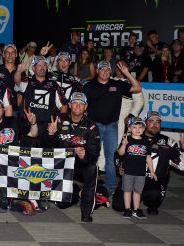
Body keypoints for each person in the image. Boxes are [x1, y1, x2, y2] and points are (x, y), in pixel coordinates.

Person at [112, 111, 184, 215]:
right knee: (119, 206)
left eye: (158, 122)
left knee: (154, 198)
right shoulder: (130, 138)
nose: (155, 124)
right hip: (132, 178)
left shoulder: (168, 143)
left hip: (154, 181)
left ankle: (151, 203)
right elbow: (118, 156)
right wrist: (119, 167)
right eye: (151, 121)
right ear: (145, 123)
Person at [82, 60, 142, 193]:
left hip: (112, 126)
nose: (105, 72)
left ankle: (111, 185)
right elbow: (81, 105)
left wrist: (127, 73)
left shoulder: (118, 84)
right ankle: (91, 183)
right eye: (102, 69)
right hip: (95, 126)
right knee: (93, 156)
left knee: (111, 157)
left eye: (107, 70)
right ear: (97, 71)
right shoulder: (89, 86)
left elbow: (137, 88)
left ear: (111, 71)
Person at [43, 92, 101, 222]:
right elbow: (45, 147)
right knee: (62, 204)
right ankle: (74, 191)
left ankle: (86, 211)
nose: (78, 106)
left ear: (86, 107)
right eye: (75, 103)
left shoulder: (92, 127)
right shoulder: (58, 120)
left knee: (93, 168)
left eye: (81, 104)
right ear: (70, 105)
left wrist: (85, 155)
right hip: (61, 165)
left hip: (80, 165)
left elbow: (94, 154)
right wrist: (50, 134)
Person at [14, 55, 66, 147]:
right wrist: (18, 71)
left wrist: (59, 121)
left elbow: (63, 105)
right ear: (33, 68)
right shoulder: (27, 82)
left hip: (47, 128)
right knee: (27, 158)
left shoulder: (53, 85)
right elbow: (17, 82)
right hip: (28, 126)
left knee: (46, 158)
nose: (42, 68)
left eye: (44, 65)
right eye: (39, 65)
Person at [116, 117, 156, 219]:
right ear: (129, 129)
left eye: (140, 127)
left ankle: (136, 209)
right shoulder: (126, 140)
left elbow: (148, 157)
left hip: (140, 172)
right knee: (127, 190)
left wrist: (152, 171)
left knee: (138, 192)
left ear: (143, 129)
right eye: (134, 127)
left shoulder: (145, 142)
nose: (137, 129)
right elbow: (120, 153)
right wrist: (124, 145)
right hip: (128, 171)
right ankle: (127, 209)